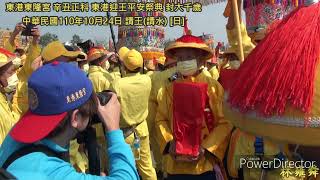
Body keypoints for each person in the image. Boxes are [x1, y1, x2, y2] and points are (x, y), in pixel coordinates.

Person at [223, 1, 320, 179]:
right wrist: (235, 5)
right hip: (253, 152)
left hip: (289, 161)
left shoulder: (307, 67)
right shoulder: (258, 59)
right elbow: (236, 34)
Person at [0, 62, 139, 180]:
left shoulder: (15, 136)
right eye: (89, 110)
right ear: (76, 118)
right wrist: (113, 128)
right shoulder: (54, 172)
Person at [155, 30, 233, 180]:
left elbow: (225, 122)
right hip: (175, 165)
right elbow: (160, 119)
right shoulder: (169, 88)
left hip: (204, 165)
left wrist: (206, 148)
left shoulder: (213, 87)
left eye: (189, 57)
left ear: (201, 60)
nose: (184, 61)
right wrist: (169, 143)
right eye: (180, 58)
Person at [111, 47, 157, 180]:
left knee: (125, 168)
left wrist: (122, 65)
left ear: (124, 65)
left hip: (125, 133)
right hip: (142, 130)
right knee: (147, 166)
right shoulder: (146, 80)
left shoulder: (118, 83)